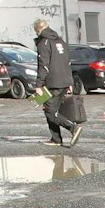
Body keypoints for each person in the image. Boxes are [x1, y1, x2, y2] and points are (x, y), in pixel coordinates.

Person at [35, 18, 85, 147]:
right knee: (52, 110)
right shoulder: (61, 41)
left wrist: (38, 85)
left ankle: (73, 129)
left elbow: (44, 66)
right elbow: (67, 62)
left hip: (52, 82)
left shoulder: (44, 43)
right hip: (64, 80)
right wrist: (70, 81)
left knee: (50, 112)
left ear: (38, 30)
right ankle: (56, 139)